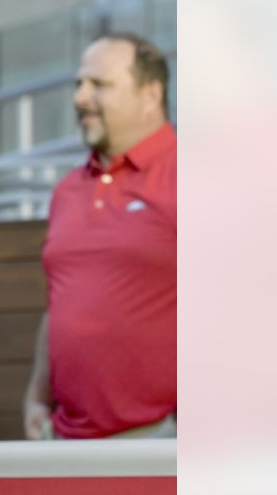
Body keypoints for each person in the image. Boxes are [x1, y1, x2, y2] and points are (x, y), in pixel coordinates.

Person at [23, 33, 176, 440]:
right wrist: (38, 395)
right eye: (79, 84)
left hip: (160, 439)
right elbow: (59, 300)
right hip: (65, 437)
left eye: (99, 85)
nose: (80, 97)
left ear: (150, 94)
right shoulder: (68, 189)